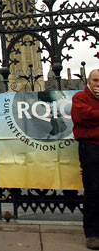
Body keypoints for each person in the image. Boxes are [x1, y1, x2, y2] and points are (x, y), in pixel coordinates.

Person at [72, 69, 99, 249]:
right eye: (95, 80)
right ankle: (92, 233)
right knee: (94, 189)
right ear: (88, 81)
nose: (98, 83)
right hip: (91, 147)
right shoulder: (80, 97)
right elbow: (84, 116)